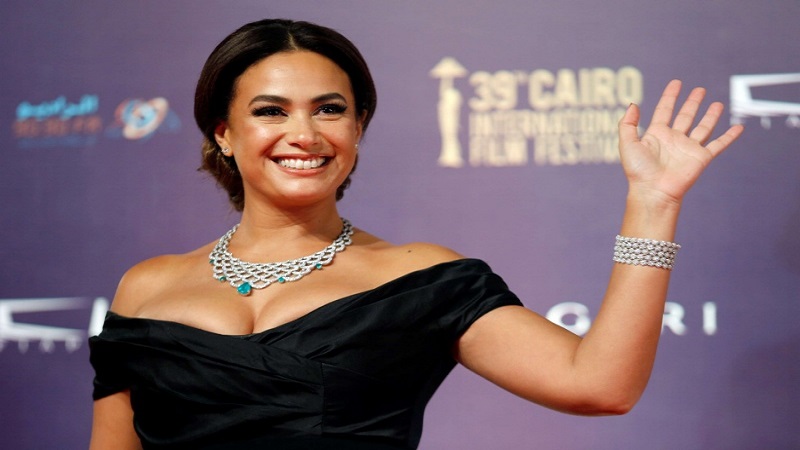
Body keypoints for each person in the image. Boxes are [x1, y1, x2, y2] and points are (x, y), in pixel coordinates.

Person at [88, 18, 744, 450]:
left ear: (358, 128)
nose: (304, 134)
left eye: (330, 110)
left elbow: (599, 384)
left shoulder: (419, 279)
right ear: (224, 134)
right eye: (271, 111)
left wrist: (653, 203)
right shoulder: (147, 288)